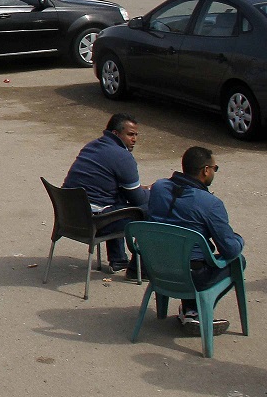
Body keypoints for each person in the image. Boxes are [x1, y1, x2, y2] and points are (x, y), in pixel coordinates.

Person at [147, 147, 243, 334]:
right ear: (206, 170)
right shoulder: (209, 203)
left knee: (185, 254)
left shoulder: (158, 187)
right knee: (238, 261)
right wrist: (239, 239)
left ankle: (190, 311)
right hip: (190, 276)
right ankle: (198, 311)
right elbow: (230, 249)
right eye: (215, 168)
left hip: (156, 268)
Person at [63, 113, 149, 273]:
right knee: (153, 207)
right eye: (130, 134)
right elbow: (138, 199)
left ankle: (118, 260)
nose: (135, 139)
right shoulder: (122, 156)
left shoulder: (91, 146)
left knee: (116, 200)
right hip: (93, 223)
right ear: (116, 134)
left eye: (136, 135)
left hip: (69, 218)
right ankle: (139, 270)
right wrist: (153, 192)